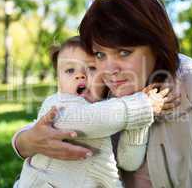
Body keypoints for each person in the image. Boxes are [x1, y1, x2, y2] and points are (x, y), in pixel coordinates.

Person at [12, 0, 192, 188]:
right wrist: (24, 142)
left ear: (155, 46)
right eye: (100, 54)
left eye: (124, 52)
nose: (109, 69)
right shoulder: (99, 83)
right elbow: (63, 113)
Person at [13, 36, 171, 188]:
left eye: (91, 68)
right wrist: (142, 105)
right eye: (69, 70)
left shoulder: (107, 112)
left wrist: (139, 123)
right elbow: (91, 119)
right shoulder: (58, 105)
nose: (80, 75)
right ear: (58, 81)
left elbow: (130, 162)